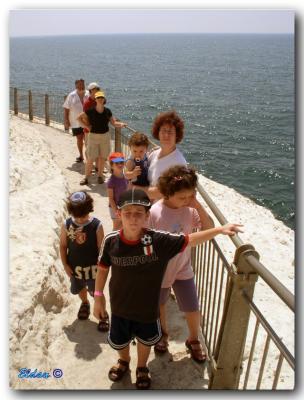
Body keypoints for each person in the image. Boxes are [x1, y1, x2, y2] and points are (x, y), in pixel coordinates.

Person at [93, 188, 243, 389]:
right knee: (121, 341)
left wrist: (218, 230)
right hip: (119, 307)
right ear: (119, 214)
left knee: (146, 340)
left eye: (139, 213)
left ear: (147, 216)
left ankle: (142, 366)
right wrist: (98, 295)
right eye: (127, 213)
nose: (133, 219)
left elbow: (188, 240)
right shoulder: (111, 241)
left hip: (147, 309)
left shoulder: (157, 240)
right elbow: (102, 269)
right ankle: (124, 361)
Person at [148, 165, 214, 362]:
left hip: (183, 267)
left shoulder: (189, 209)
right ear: (168, 193)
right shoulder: (155, 212)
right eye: (182, 197)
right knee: (160, 305)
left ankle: (193, 339)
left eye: (189, 196)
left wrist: (197, 205)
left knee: (192, 307)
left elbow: (208, 228)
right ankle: (163, 334)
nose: (186, 201)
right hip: (161, 270)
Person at [59, 191, 109, 332]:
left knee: (97, 293)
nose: (80, 220)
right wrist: (65, 265)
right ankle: (85, 303)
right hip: (75, 269)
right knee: (80, 288)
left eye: (83, 216)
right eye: (77, 216)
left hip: (93, 270)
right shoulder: (66, 225)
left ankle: (103, 314)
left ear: (89, 209)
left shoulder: (96, 226)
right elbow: (63, 246)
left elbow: (102, 250)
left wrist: (102, 269)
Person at [77, 91, 127, 186]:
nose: (100, 99)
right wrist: (87, 127)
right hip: (93, 137)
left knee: (102, 158)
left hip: (105, 137)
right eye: (98, 98)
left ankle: (100, 176)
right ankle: (86, 178)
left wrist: (122, 124)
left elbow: (113, 123)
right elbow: (79, 118)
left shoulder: (108, 111)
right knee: (91, 158)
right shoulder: (90, 111)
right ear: (95, 99)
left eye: (101, 98)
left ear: (104, 99)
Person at [147, 110, 187, 200]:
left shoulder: (179, 163)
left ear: (177, 135)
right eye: (163, 130)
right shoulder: (153, 154)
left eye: (170, 132)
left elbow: (161, 193)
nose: (166, 135)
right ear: (158, 133)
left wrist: (134, 189)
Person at [63, 79, 89, 163]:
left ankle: (89, 157)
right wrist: (66, 120)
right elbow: (66, 108)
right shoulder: (71, 95)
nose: (82, 86)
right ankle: (81, 155)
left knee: (88, 140)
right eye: (80, 84)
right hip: (75, 122)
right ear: (76, 85)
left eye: (83, 84)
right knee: (79, 139)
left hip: (87, 122)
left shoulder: (88, 94)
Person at [106, 152, 129, 230]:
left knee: (123, 226)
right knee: (116, 227)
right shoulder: (111, 181)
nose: (120, 165)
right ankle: (112, 241)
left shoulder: (125, 177)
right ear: (112, 166)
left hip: (124, 206)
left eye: (121, 162)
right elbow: (111, 198)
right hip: (114, 208)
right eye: (117, 163)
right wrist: (116, 211)